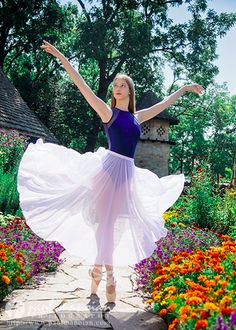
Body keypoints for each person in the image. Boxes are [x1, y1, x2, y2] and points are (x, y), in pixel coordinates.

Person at [17, 40, 204, 307]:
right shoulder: (109, 113)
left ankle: (96, 269)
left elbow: (163, 104)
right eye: (115, 86)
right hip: (107, 174)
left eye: (122, 85)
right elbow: (81, 84)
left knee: (112, 226)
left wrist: (184, 88)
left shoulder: (137, 117)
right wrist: (59, 54)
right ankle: (110, 276)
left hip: (127, 177)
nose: (117, 89)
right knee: (102, 225)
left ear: (130, 90)